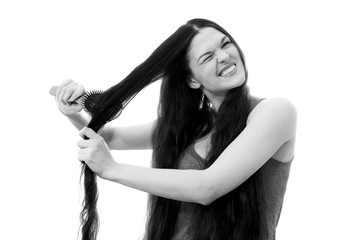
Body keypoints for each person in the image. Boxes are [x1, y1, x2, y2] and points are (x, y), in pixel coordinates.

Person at [53, 18, 297, 240]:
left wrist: (112, 169)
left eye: (226, 44)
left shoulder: (275, 112)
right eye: (207, 56)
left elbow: (208, 187)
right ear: (192, 79)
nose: (223, 56)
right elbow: (110, 138)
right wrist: (73, 112)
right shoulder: (193, 124)